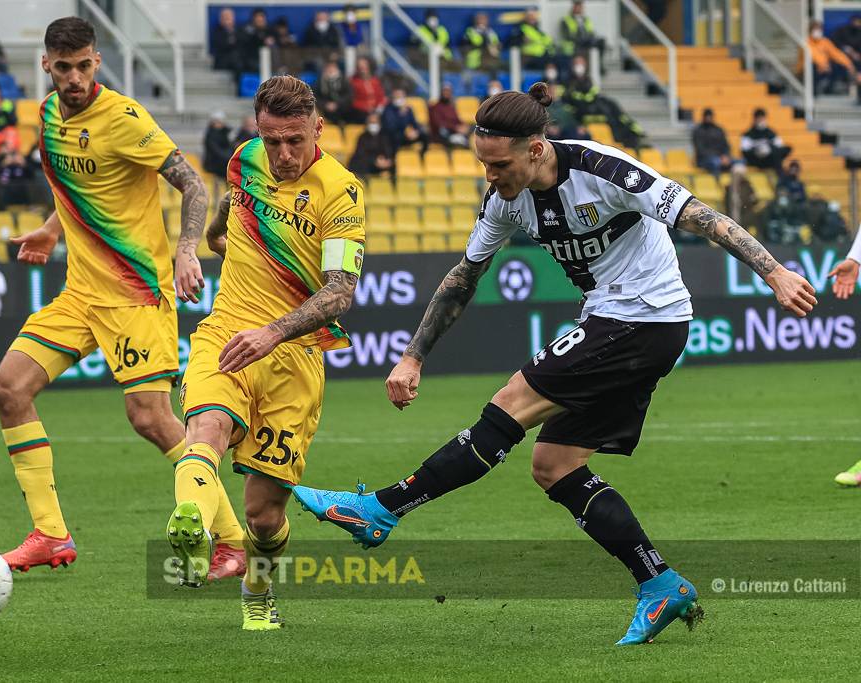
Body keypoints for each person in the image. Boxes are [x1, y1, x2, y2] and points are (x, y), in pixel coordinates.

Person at [292, 83, 816, 646]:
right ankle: (659, 582)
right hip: (621, 321)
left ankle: (381, 509)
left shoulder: (603, 169)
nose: (490, 176)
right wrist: (413, 356)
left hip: (644, 318)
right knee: (555, 464)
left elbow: (700, 216)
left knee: (509, 406)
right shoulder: (504, 200)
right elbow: (463, 279)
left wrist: (775, 272)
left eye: (498, 164)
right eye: (483, 164)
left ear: (536, 149)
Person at [0, 17, 234, 578]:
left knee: (150, 418)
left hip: (135, 293)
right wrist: (52, 229)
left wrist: (187, 250)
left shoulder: (123, 118)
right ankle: (50, 533)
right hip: (80, 293)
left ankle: (230, 538)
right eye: (63, 67)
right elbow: (80, 188)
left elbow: (193, 185)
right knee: (9, 389)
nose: (73, 77)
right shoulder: (48, 116)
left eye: (83, 66)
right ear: (46, 65)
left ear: (96, 62)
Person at [170, 75, 366, 630]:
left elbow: (340, 291)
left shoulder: (341, 192)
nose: (281, 154)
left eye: (294, 141)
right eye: (271, 139)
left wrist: (274, 332)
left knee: (264, 513)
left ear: (317, 129)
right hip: (226, 332)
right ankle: (193, 526)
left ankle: (258, 587)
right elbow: (233, 203)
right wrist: (202, 244)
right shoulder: (246, 158)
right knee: (205, 427)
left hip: (293, 359)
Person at [563, 55, 644, 148]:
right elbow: (568, 108)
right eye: (576, 64)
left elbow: (593, 95)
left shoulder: (590, 83)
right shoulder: (567, 85)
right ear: (572, 66)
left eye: (581, 63)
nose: (579, 66)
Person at [799, 20, 857, 95]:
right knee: (813, 67)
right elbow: (813, 56)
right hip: (805, 71)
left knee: (837, 66)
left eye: (819, 29)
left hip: (823, 68)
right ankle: (813, 93)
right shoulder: (805, 42)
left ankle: (829, 89)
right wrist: (823, 65)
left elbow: (836, 54)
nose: (818, 32)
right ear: (810, 30)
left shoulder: (824, 42)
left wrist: (849, 64)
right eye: (815, 29)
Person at [348, 112, 396, 178]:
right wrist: (374, 160)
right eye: (371, 122)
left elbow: (388, 151)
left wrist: (386, 160)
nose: (373, 125)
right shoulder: (363, 137)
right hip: (367, 164)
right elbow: (360, 153)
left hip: (382, 164)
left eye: (375, 122)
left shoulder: (384, 137)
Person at [381, 88, 427, 153]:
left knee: (424, 136)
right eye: (397, 96)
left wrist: (416, 131)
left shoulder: (408, 109)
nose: (399, 98)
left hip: (404, 135)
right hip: (392, 137)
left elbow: (414, 123)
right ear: (393, 97)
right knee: (395, 139)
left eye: (401, 96)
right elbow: (391, 127)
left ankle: (422, 157)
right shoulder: (388, 109)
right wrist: (401, 115)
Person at [428, 83, 471, 148]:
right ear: (441, 93)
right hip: (441, 134)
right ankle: (455, 140)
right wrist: (455, 128)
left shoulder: (451, 107)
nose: (446, 93)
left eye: (448, 91)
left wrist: (463, 125)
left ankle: (458, 141)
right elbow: (438, 123)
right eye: (445, 91)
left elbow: (457, 120)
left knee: (472, 128)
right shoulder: (435, 107)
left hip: (453, 132)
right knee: (443, 130)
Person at [692, 108, 732, 174]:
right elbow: (701, 150)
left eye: (710, 116)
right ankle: (718, 182)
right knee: (716, 162)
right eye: (707, 116)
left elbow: (726, 146)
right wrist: (719, 157)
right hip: (703, 160)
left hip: (720, 158)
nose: (708, 118)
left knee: (739, 162)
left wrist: (725, 155)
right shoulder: (698, 131)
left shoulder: (719, 130)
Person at [348, 56, 386, 123]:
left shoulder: (376, 81)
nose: (362, 68)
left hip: (376, 111)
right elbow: (352, 100)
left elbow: (381, 97)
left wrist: (378, 109)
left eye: (364, 65)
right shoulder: (353, 81)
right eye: (360, 66)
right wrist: (366, 107)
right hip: (361, 112)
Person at [239, 8, 274, 74]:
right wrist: (263, 41)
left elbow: (274, 41)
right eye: (258, 18)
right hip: (251, 60)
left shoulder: (269, 30)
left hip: (267, 59)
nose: (260, 20)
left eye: (262, 17)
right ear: (253, 19)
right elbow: (249, 44)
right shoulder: (247, 30)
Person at [724, 163, 758, 229]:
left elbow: (754, 201)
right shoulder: (729, 188)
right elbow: (726, 203)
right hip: (731, 216)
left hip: (745, 216)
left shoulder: (747, 186)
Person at [203, 111, 234, 182]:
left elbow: (231, 145)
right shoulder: (210, 135)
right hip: (214, 163)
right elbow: (215, 151)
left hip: (225, 161)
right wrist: (228, 157)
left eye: (220, 121)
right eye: (216, 121)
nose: (219, 124)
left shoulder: (227, 132)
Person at [210, 8, 241, 75]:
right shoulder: (217, 31)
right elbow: (221, 45)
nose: (227, 20)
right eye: (225, 17)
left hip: (236, 60)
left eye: (229, 17)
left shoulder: (239, 30)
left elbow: (241, 44)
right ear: (221, 19)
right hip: (222, 60)